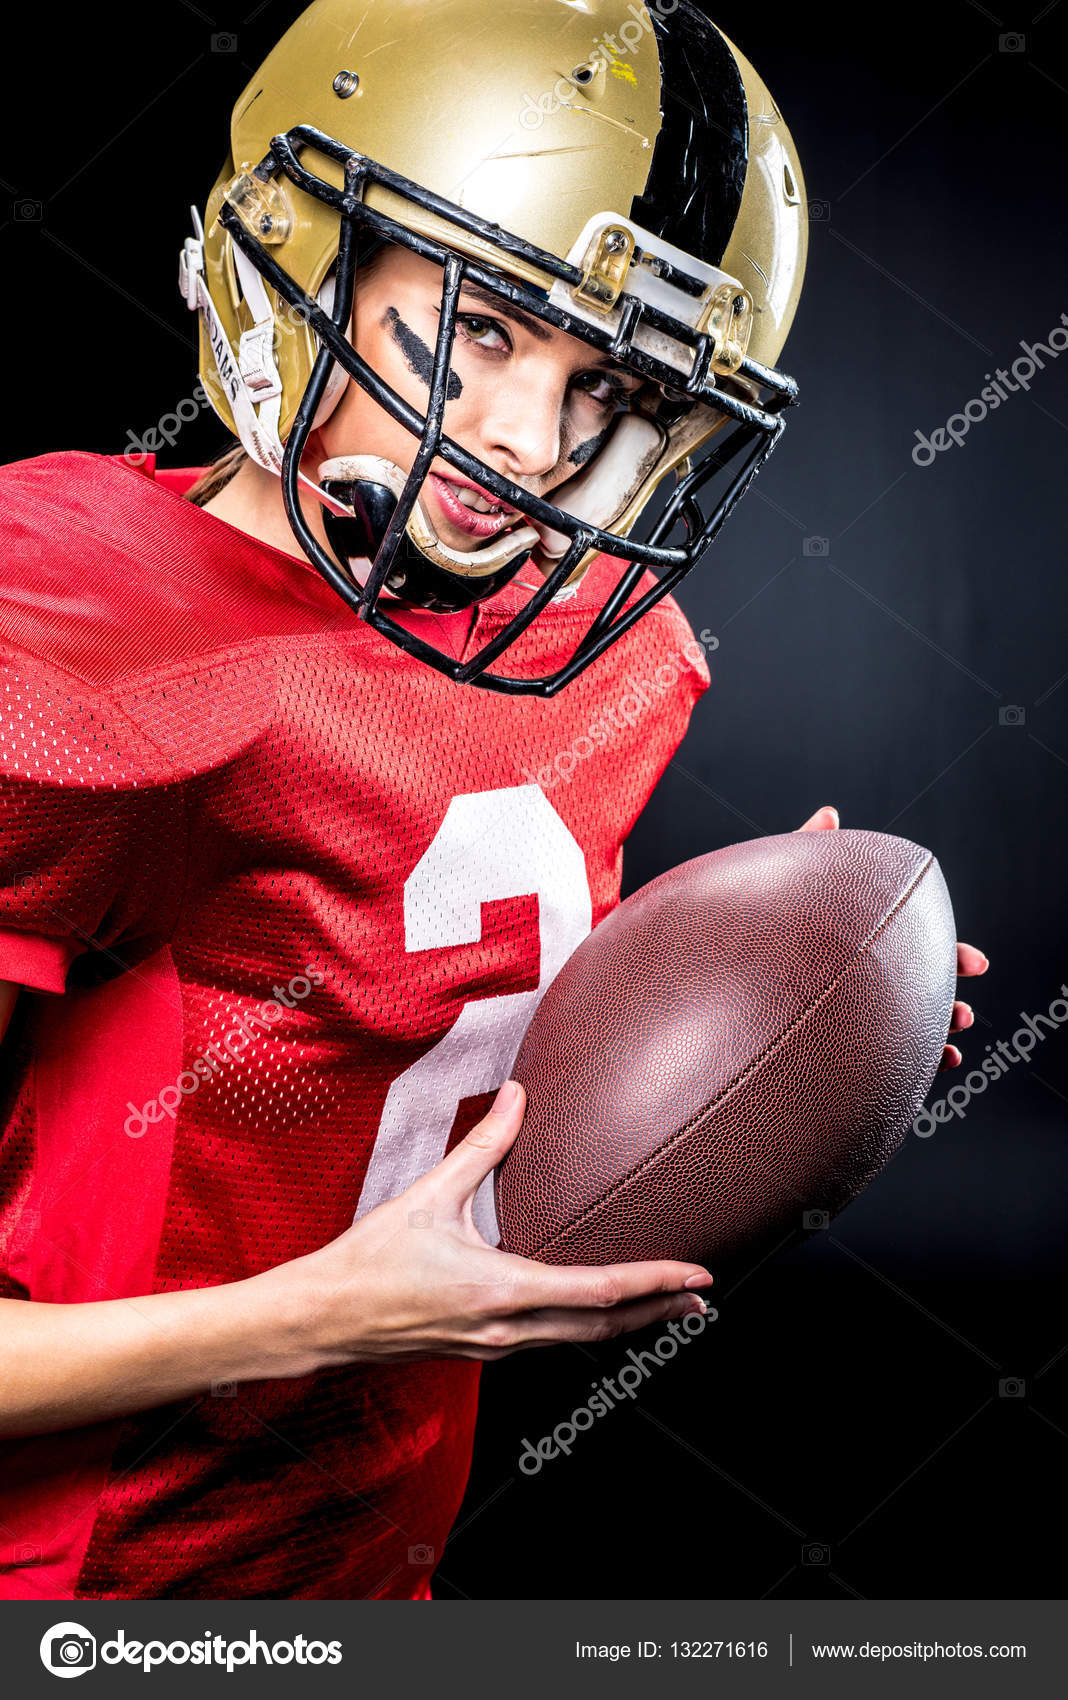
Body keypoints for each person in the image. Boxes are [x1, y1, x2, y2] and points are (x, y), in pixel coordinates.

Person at [0, 0, 985, 1600]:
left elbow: (399, 1051)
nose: (534, 443)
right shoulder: (55, 642)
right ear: (308, 257)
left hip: (363, 1573)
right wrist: (321, 1315)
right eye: (481, 329)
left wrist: (753, 1005)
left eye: (613, 388)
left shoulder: (604, 660)